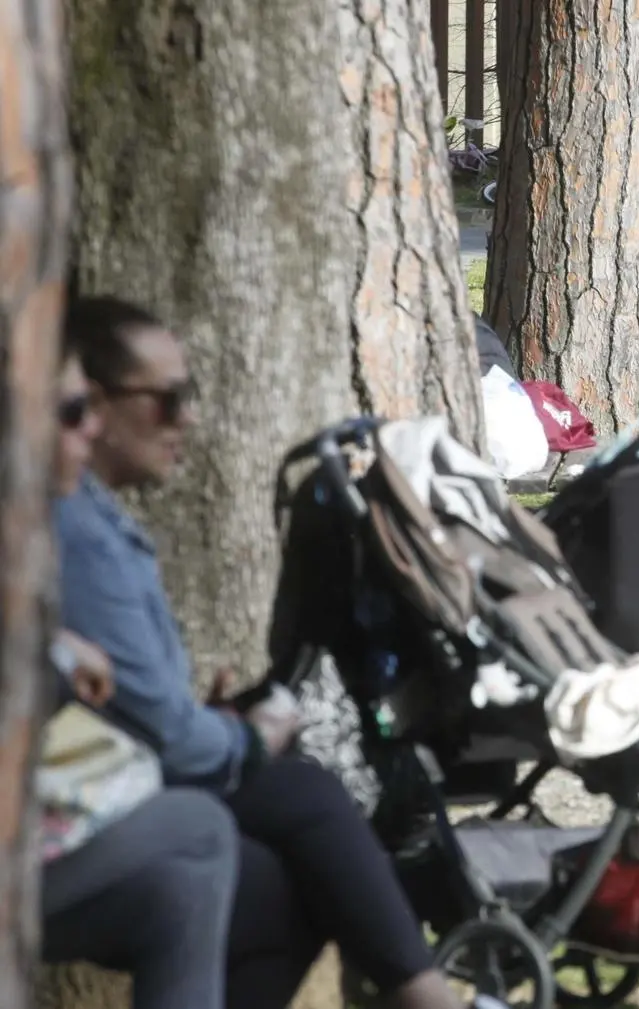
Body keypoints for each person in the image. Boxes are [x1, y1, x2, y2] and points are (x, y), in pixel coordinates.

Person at [55, 295, 478, 1009]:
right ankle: (433, 999)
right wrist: (243, 737)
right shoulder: (74, 536)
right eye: (167, 399)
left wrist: (220, 728)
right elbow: (164, 741)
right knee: (297, 800)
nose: (187, 416)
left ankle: (427, 995)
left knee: (286, 875)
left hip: (104, 792)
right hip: (73, 817)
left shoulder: (92, 518)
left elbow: (133, 714)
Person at [39, 331, 240, 1009]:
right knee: (206, 822)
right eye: (71, 412)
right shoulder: (70, 531)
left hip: (49, 818)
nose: (90, 428)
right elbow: (164, 727)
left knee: (186, 887)